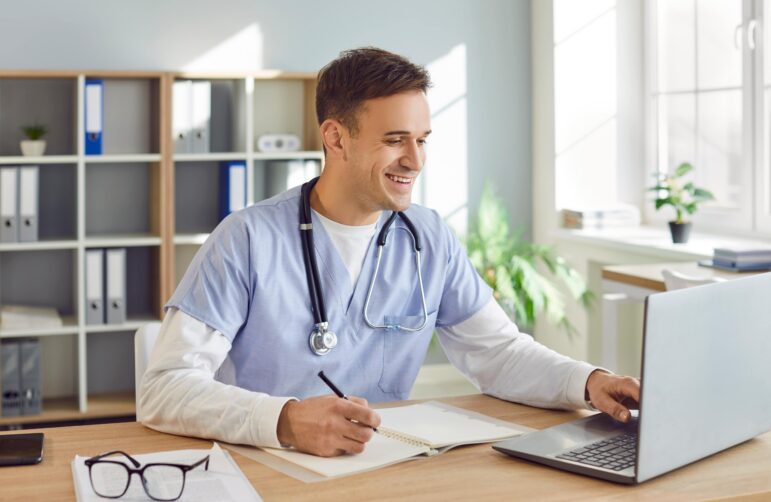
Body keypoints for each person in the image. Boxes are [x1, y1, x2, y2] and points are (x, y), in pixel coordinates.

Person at [140, 47, 640, 458]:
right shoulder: (247, 239)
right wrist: (287, 419)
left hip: (382, 465)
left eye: (422, 139)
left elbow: (498, 353)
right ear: (336, 137)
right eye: (395, 140)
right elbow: (165, 388)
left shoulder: (427, 237)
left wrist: (587, 380)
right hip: (269, 466)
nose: (415, 160)